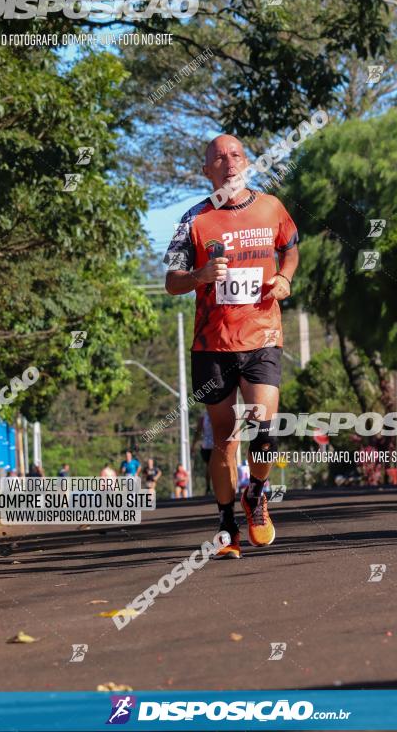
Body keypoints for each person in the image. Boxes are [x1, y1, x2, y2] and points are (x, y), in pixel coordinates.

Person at [164, 134, 299, 559]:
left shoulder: (271, 207)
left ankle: (255, 494)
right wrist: (199, 276)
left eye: (236, 154)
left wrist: (285, 279)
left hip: (262, 336)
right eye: (218, 158)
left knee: (264, 428)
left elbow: (291, 249)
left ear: (248, 163)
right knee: (224, 438)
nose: (229, 162)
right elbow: (171, 281)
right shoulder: (193, 220)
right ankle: (226, 524)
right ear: (207, 171)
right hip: (212, 343)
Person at [195, 411, 214, 494]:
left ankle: (210, 487)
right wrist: (193, 444)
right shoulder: (203, 418)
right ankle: (209, 487)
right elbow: (198, 432)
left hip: (215, 445)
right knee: (209, 467)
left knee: (211, 466)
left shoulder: (217, 413)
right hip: (208, 446)